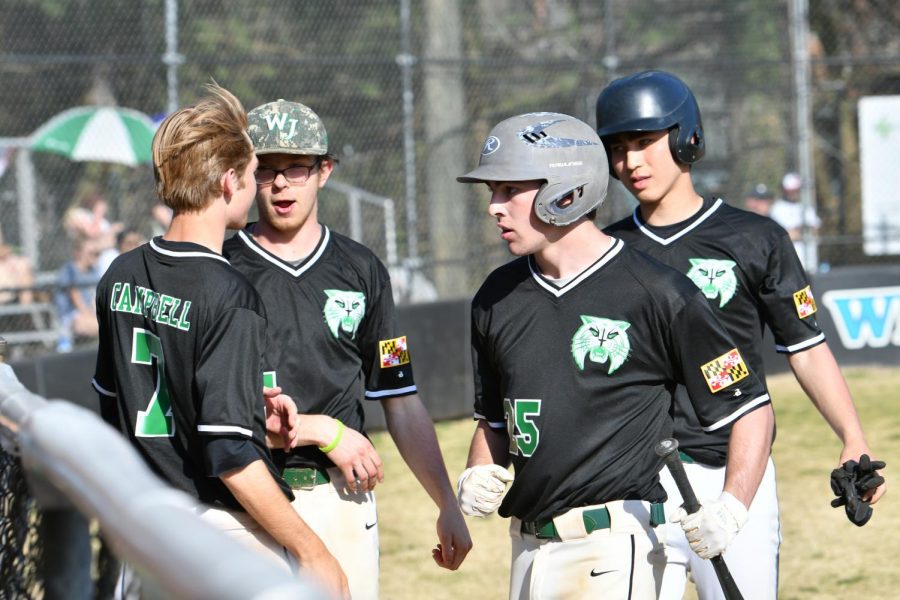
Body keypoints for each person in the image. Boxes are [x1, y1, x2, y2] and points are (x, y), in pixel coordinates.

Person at [454, 111, 774, 600]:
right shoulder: (495, 297)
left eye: (508, 191)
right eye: (492, 193)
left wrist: (732, 506)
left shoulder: (662, 293)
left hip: (620, 547)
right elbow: (496, 421)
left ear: (567, 191)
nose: (495, 208)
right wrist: (479, 468)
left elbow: (749, 406)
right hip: (527, 546)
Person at [596, 70, 886, 600]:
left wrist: (852, 437)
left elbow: (806, 348)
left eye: (644, 142)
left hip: (732, 474)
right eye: (617, 148)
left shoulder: (757, 238)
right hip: (631, 483)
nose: (631, 161)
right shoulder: (602, 251)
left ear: (687, 137)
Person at [90, 84, 349, 599]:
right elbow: (229, 453)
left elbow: (114, 406)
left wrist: (250, 410)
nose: (259, 187)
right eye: (254, 175)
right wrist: (313, 550)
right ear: (229, 181)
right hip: (212, 536)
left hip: (139, 527)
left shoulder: (120, 274)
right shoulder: (230, 294)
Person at [222, 98, 472, 599]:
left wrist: (446, 501)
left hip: (341, 499)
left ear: (324, 170)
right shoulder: (222, 265)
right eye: (266, 170)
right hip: (245, 497)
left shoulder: (364, 269)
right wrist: (322, 430)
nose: (281, 184)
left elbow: (400, 396)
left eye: (295, 168)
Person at [54, 236, 102, 351]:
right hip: (69, 316)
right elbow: (74, 295)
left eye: (97, 253)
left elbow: (94, 298)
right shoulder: (69, 270)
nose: (95, 256)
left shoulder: (93, 271)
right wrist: (89, 315)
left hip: (88, 314)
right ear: (78, 253)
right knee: (103, 327)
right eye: (91, 253)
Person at [770, 171, 822, 271]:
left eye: (798, 189)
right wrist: (805, 230)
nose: (796, 193)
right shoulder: (777, 209)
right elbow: (787, 235)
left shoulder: (806, 207)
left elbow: (816, 232)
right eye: (793, 190)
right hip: (790, 265)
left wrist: (799, 231)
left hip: (811, 264)